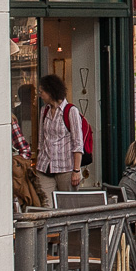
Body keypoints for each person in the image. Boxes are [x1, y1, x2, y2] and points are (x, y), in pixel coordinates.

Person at [33, 73, 85, 203]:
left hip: (65, 167)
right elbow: (41, 139)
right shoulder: (44, 110)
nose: (40, 95)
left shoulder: (70, 111)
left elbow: (78, 143)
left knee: (67, 207)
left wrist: (76, 170)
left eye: (42, 92)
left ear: (50, 91)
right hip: (45, 166)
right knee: (46, 205)